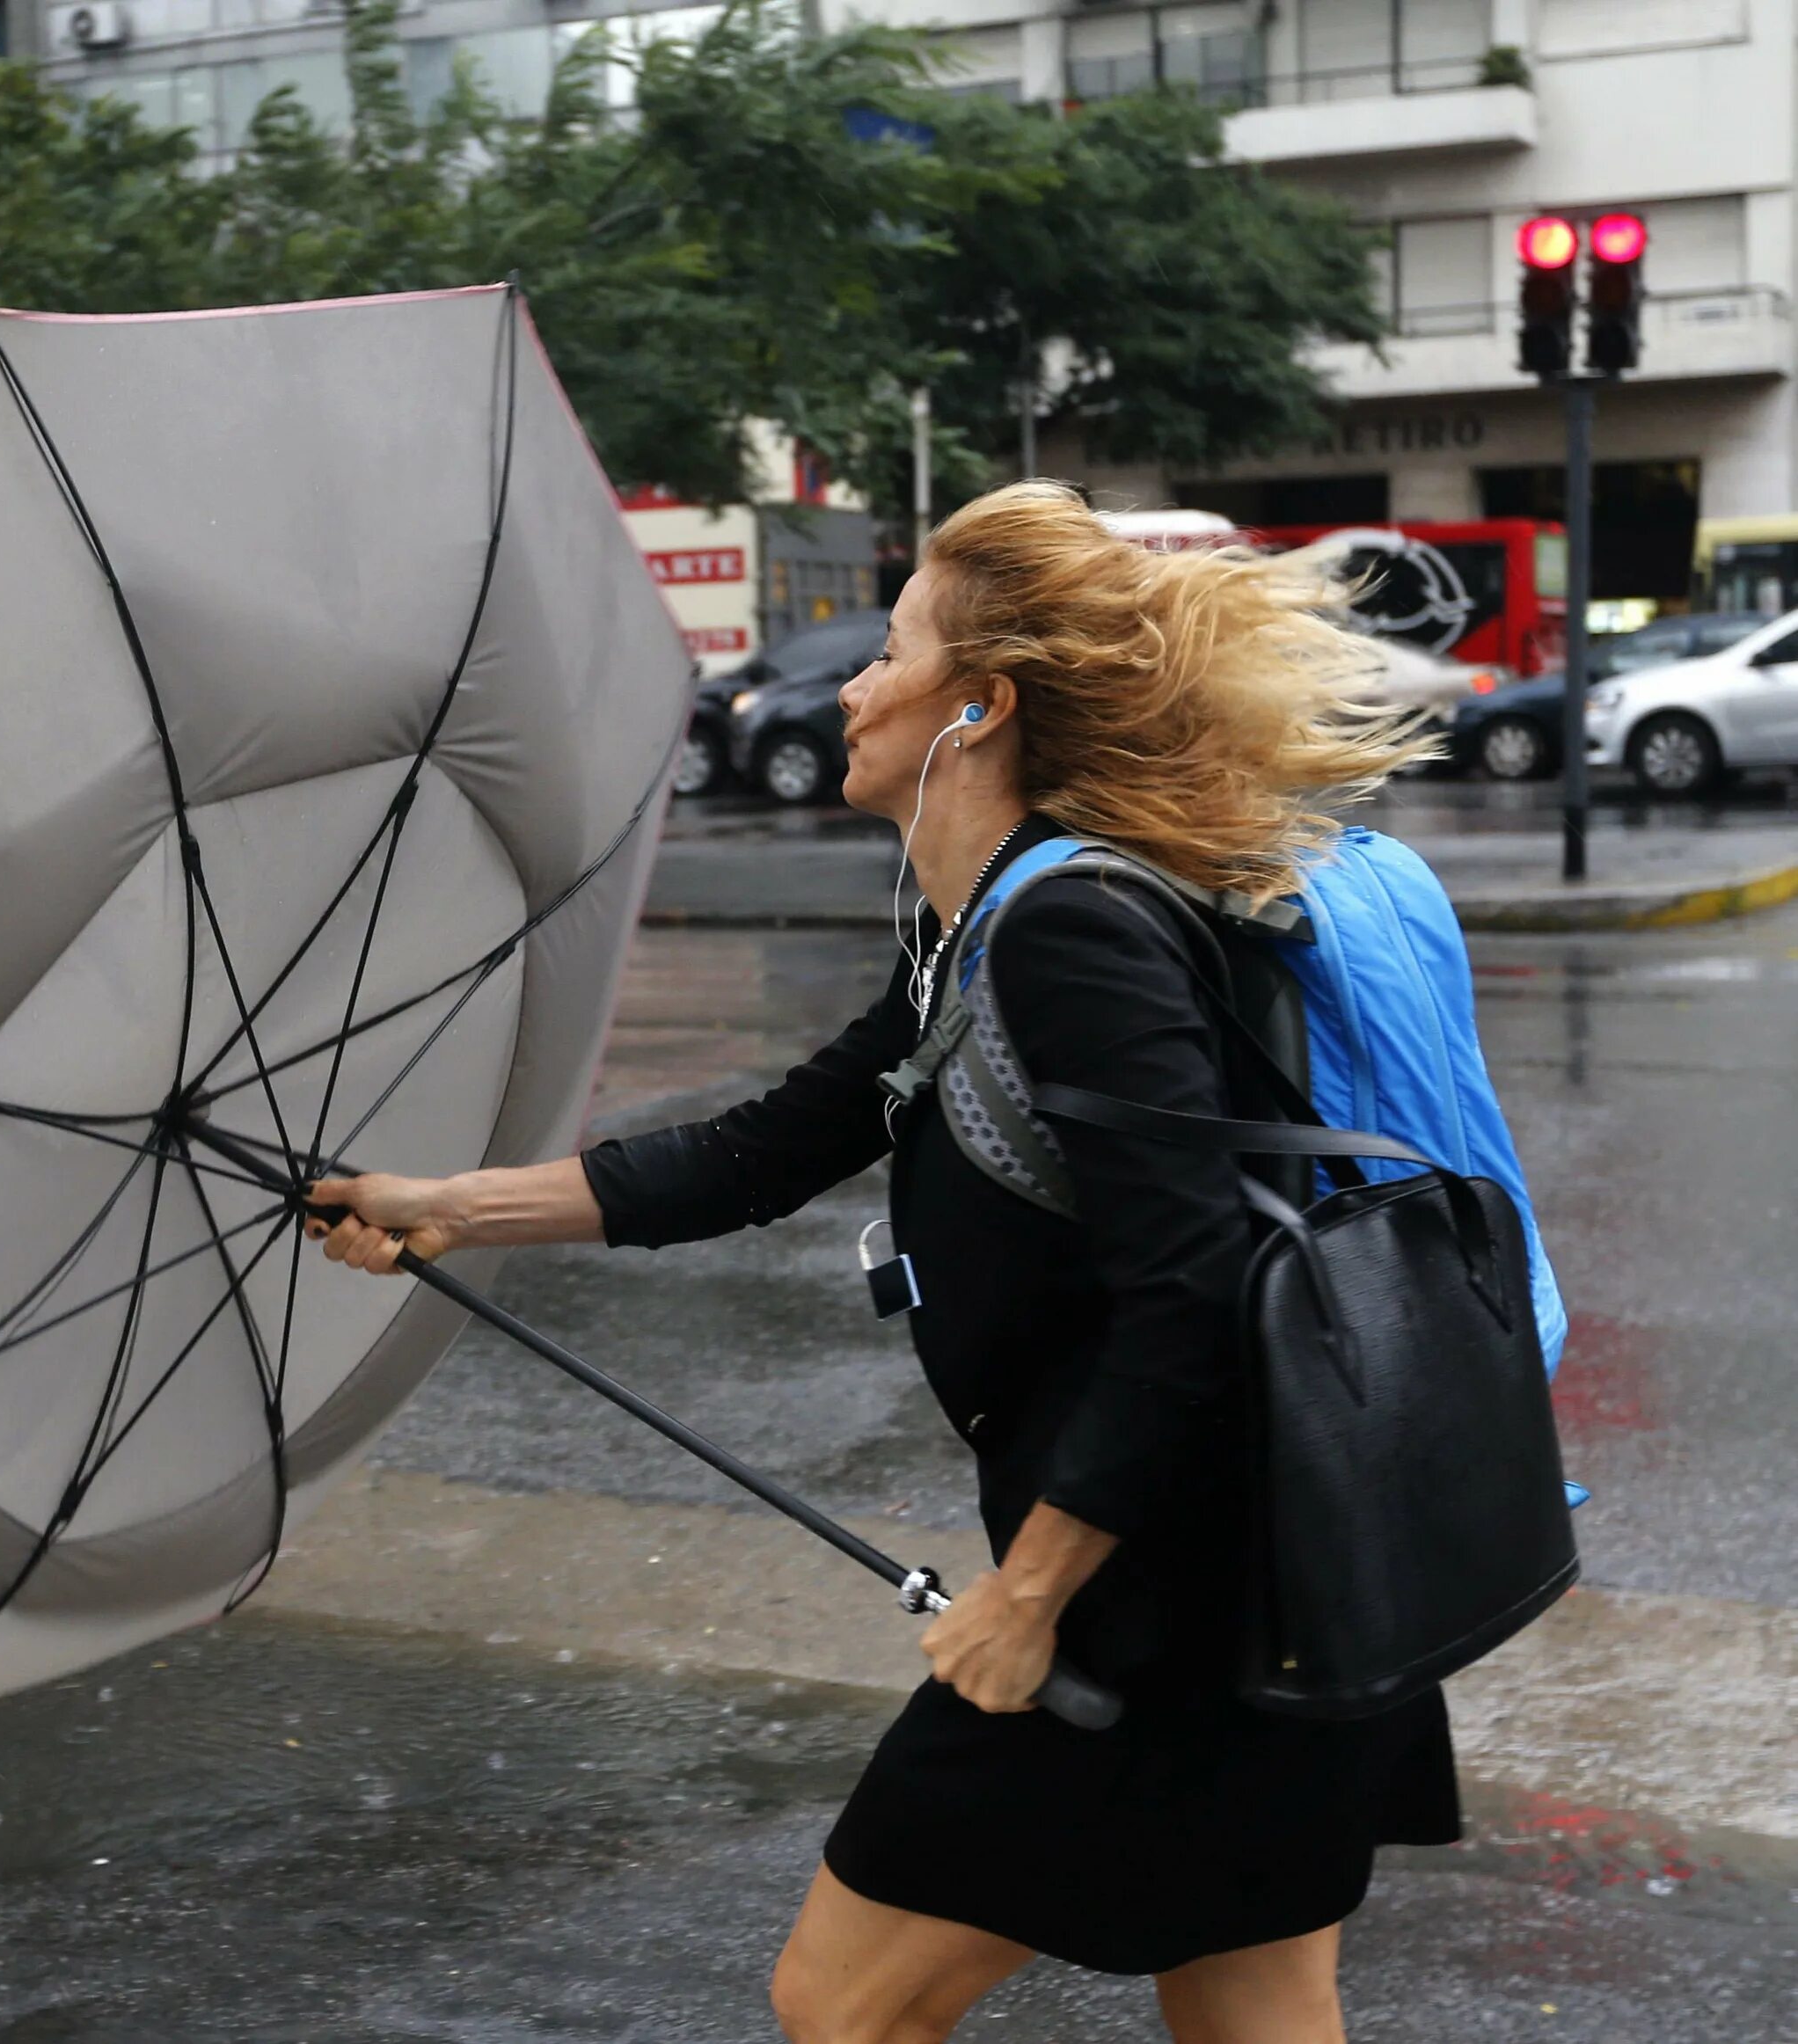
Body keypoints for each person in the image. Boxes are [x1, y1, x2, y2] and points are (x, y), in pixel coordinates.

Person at [305, 482, 1459, 2044]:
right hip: (1277, 1572)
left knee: (845, 2003)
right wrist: (449, 1203)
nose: (849, 680)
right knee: (1252, 2009)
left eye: (891, 650)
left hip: (1174, 1600)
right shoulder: (983, 927)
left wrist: (1029, 1595)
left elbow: (1192, 1291)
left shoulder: (1071, 932)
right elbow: (760, 1151)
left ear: (977, 708)